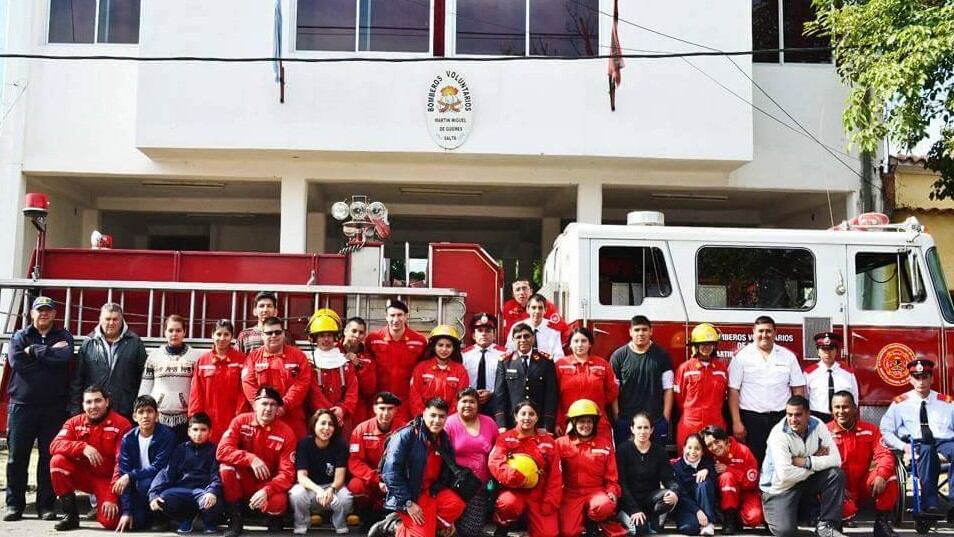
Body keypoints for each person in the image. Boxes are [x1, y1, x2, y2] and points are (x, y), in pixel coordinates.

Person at [5, 296, 74, 522]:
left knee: (48, 457)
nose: (43, 314)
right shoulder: (19, 336)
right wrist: (46, 352)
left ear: (54, 314)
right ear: (31, 314)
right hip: (22, 406)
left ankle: (46, 506)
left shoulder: (63, 336)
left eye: (48, 310)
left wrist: (33, 351)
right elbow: (17, 363)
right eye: (39, 310)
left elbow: (63, 358)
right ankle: (14, 505)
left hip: (53, 407)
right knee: (17, 458)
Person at [368, 397, 467, 537]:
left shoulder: (443, 439)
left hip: (431, 492)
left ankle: (410, 526)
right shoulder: (405, 436)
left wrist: (448, 522)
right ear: (424, 414)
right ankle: (394, 527)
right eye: (433, 415)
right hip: (411, 494)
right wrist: (407, 503)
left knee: (456, 504)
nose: (437, 420)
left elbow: (446, 473)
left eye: (441, 416)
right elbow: (390, 473)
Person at [880, 358, 954, 521]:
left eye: (925, 376)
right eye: (917, 377)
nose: (921, 381)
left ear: (932, 378)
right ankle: (930, 504)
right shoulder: (900, 403)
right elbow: (886, 430)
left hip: (945, 441)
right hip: (919, 443)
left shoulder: (946, 402)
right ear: (910, 379)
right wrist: (903, 446)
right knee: (927, 452)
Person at [217, 386, 297, 537]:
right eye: (264, 403)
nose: (268, 408)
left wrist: (268, 490)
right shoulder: (240, 421)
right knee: (226, 469)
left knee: (278, 502)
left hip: (267, 484)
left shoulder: (286, 432)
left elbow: (287, 473)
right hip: (243, 481)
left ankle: (273, 518)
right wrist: (250, 459)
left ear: (278, 408)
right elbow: (222, 451)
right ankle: (235, 519)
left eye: (273, 405)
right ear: (255, 405)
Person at [49, 385, 132, 531]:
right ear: (83, 405)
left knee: (111, 523)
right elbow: (54, 445)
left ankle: (101, 507)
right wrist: (82, 447)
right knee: (57, 461)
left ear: (107, 402)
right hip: (83, 476)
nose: (93, 406)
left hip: (107, 480)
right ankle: (71, 516)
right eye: (88, 402)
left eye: (98, 401)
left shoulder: (122, 424)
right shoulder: (74, 422)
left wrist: (111, 497)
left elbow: (122, 462)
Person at [760, 395, 845, 537]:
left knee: (835, 474)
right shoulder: (778, 435)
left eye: (798, 415)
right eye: (789, 415)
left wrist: (806, 462)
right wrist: (814, 465)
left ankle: (826, 526)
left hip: (803, 479)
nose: (793, 419)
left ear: (808, 414)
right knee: (785, 532)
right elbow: (785, 475)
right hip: (780, 487)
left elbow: (836, 460)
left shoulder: (818, 425)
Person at [728, 315, 806, 464]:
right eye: (761, 331)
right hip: (751, 418)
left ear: (775, 333)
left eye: (769, 331)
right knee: (754, 461)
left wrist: (798, 418)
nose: (764, 335)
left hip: (782, 418)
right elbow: (733, 391)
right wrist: (736, 422)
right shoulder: (741, 357)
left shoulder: (788, 357)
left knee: (782, 460)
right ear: (753, 332)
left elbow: (798, 389)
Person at [828, 391, 899, 537]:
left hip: (863, 484)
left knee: (889, 477)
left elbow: (885, 454)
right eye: (837, 407)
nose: (841, 411)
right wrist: (836, 487)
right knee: (845, 508)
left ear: (855, 408)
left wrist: (881, 475)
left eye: (845, 407)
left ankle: (882, 523)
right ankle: (835, 523)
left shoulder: (871, 430)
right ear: (831, 409)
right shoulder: (824, 432)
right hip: (838, 486)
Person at [488, 399, 562, 537]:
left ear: (537, 417)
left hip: (539, 493)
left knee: (548, 533)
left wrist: (550, 501)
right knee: (508, 504)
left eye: (531, 414)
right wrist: (517, 478)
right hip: (514, 490)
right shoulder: (505, 438)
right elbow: (495, 463)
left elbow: (555, 476)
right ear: (516, 416)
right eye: (523, 414)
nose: (527, 418)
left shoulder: (549, 442)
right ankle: (503, 524)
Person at [556, 399, 623, 537]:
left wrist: (611, 491)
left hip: (595, 491)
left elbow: (612, 475)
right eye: (581, 421)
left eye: (589, 421)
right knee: (568, 532)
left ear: (594, 423)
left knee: (604, 505)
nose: (585, 425)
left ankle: (592, 523)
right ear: (573, 423)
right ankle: (582, 520)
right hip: (570, 493)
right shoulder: (561, 444)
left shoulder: (604, 444)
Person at [147, 412, 222, 535]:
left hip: (203, 492)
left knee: (212, 502)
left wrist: (212, 491)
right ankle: (185, 519)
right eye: (195, 429)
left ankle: (209, 522)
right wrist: (153, 494)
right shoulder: (180, 449)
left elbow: (216, 475)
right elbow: (166, 473)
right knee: (163, 498)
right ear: (188, 432)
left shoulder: (214, 450)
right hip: (183, 491)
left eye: (203, 430)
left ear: (210, 432)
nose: (198, 433)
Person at [70, 302, 148, 419]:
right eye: (107, 319)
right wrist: (76, 410)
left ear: (122, 320)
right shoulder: (88, 343)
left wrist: (139, 409)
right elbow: (78, 380)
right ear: (100, 319)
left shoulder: (135, 343)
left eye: (115, 319)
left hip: (125, 410)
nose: (111, 323)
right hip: (94, 410)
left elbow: (144, 379)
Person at [241, 315, 313, 439]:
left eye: (277, 332)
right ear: (262, 335)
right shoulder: (253, 358)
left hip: (292, 417)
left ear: (283, 334)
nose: (273, 335)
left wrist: (283, 405)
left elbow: (302, 383)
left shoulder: (299, 356)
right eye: (269, 333)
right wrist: (261, 406)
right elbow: (248, 383)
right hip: (263, 417)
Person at [113, 395, 177, 532]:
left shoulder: (167, 435)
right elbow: (123, 474)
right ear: (135, 417)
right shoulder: (128, 439)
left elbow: (159, 466)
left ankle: (161, 518)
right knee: (135, 523)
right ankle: (145, 513)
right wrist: (126, 511)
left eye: (149, 411)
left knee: (145, 483)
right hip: (138, 485)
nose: (145, 416)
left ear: (157, 415)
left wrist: (130, 475)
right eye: (141, 412)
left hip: (162, 482)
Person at [610, 315, 674, 445]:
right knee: (625, 462)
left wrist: (665, 418)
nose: (641, 333)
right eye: (637, 330)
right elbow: (613, 389)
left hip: (655, 421)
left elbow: (668, 388)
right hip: (626, 421)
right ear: (630, 332)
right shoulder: (619, 356)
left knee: (655, 462)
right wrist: (617, 416)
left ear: (651, 331)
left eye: (644, 330)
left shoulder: (662, 355)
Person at [139, 314, 203, 442]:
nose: (174, 334)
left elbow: (200, 388)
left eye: (178, 330)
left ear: (184, 332)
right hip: (159, 417)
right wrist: (141, 411)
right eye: (170, 330)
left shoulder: (196, 357)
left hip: (186, 419)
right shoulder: (154, 356)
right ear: (165, 332)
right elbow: (145, 387)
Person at [289, 409, 353, 535]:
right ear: (314, 425)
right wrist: (319, 490)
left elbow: (339, 479)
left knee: (346, 499)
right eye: (322, 423)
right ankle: (302, 523)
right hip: (310, 488)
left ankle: (338, 522)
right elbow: (301, 477)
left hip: (331, 487)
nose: (326, 428)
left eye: (330, 424)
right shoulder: (304, 444)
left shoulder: (340, 445)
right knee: (296, 494)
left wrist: (331, 490)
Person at [444, 388, 498, 537]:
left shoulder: (489, 422)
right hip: (455, 486)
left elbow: (498, 449)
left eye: (472, 402)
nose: (468, 405)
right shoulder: (449, 423)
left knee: (471, 530)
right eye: (464, 401)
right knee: (449, 529)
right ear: (457, 403)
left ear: (478, 404)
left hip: (481, 487)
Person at [616, 412, 679, 535]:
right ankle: (625, 518)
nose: (643, 431)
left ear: (652, 430)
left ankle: (653, 520)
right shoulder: (623, 450)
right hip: (629, 502)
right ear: (632, 429)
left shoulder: (660, 451)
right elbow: (621, 483)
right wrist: (634, 509)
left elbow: (668, 479)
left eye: (646, 427)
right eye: (639, 427)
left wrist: (674, 492)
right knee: (640, 530)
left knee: (668, 496)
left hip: (650, 499)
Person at [366, 299, 427, 425]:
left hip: (405, 402)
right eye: (392, 315)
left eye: (400, 315)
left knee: (403, 435)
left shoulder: (419, 341)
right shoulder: (373, 339)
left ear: (406, 317)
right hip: (379, 401)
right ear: (386, 317)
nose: (396, 319)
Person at [188, 319, 247, 443]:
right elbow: (196, 392)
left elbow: (244, 391)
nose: (222, 338)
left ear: (232, 337)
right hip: (208, 419)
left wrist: (241, 415)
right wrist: (195, 417)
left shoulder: (242, 360)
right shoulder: (203, 361)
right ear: (212, 335)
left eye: (226, 334)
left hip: (233, 418)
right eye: (218, 334)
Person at [493, 323, 558, 433]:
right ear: (513, 340)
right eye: (518, 337)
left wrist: (547, 425)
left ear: (533, 338)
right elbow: (499, 396)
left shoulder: (546, 361)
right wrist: (501, 424)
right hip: (512, 422)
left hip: (539, 423)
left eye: (526, 336)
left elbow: (551, 395)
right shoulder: (505, 362)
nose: (523, 340)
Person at [555, 328, 619, 437]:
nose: (580, 344)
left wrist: (598, 404)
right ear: (570, 344)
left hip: (597, 421)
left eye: (584, 341)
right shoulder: (560, 365)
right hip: (568, 421)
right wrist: (557, 422)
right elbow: (554, 396)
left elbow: (612, 391)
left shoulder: (602, 364)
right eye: (576, 341)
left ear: (590, 344)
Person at [699, 425, 763, 534]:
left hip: (747, 492)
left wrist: (728, 469)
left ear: (726, 440)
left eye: (717, 442)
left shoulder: (743, 451)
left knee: (754, 518)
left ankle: (735, 518)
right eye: (709, 445)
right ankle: (729, 519)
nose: (714, 447)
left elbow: (752, 482)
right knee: (726, 477)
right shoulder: (709, 456)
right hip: (724, 495)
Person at [674, 323, 728, 449]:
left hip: (716, 422)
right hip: (690, 423)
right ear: (695, 346)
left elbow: (725, 394)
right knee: (688, 459)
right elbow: (679, 398)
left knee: (716, 461)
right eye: (702, 344)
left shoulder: (722, 369)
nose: (706, 347)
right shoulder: (685, 368)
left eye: (710, 344)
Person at [305, 313, 359, 434]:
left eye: (329, 335)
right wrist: (329, 415)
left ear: (335, 337)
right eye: (321, 336)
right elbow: (313, 394)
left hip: (343, 420)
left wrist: (342, 410)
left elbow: (352, 392)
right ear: (314, 338)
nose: (326, 339)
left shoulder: (346, 363)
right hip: (318, 420)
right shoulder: (309, 363)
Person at [409, 325, 470, 417]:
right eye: (440, 345)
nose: (444, 349)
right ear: (434, 347)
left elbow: (459, 399)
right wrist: (423, 418)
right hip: (424, 419)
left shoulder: (460, 371)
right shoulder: (421, 368)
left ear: (454, 348)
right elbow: (414, 396)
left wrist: (447, 420)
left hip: (449, 421)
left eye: (448, 346)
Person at [803, 332, 858, 423]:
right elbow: (805, 398)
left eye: (831, 349)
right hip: (817, 418)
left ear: (837, 351)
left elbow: (854, 399)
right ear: (818, 351)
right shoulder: (809, 373)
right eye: (823, 349)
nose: (827, 353)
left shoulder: (848, 373)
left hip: (842, 417)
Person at [671, 434, 717, 536]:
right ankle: (699, 522)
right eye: (689, 447)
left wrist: (707, 471)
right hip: (687, 507)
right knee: (689, 528)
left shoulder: (708, 463)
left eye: (697, 449)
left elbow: (715, 486)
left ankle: (708, 523)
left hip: (706, 506)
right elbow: (680, 494)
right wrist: (697, 511)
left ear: (703, 451)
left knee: (703, 483)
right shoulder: (676, 467)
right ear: (683, 448)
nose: (692, 452)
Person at [461, 313, 506, 417]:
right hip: (470, 402)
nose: (484, 334)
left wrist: (491, 393)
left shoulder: (504, 354)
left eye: (488, 331)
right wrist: (472, 393)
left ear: (494, 335)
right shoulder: (464, 355)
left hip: (496, 403)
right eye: (480, 331)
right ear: (473, 335)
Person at [340, 316, 377, 425]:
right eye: (354, 331)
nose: (357, 335)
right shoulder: (334, 350)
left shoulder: (368, 358)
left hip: (358, 409)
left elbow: (369, 390)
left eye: (361, 332)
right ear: (345, 331)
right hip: (336, 405)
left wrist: (358, 366)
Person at [505, 294, 565, 359]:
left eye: (540, 308)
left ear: (545, 310)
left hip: (546, 367)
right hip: (522, 365)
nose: (537, 311)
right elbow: (509, 351)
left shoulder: (553, 328)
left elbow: (558, 355)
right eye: (533, 307)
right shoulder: (517, 327)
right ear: (528, 309)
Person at [501, 279, 566, 338]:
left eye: (524, 288)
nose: (521, 293)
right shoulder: (507, 307)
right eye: (517, 290)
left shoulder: (543, 304)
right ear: (513, 294)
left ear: (531, 291)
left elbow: (559, 328)